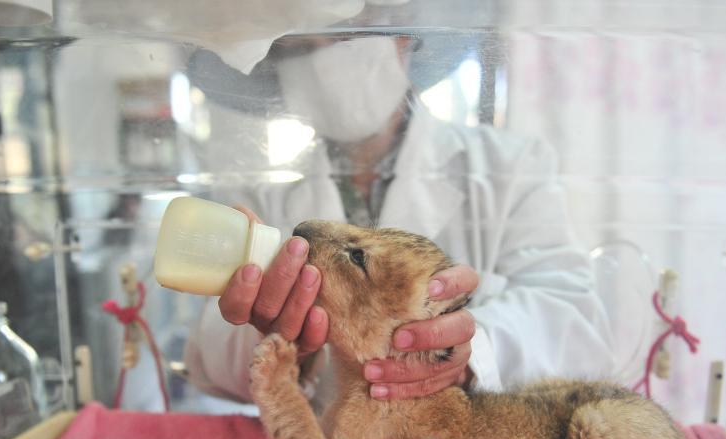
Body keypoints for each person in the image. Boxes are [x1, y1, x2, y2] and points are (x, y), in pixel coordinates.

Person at [184, 33, 614, 409]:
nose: (321, 65)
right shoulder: (263, 196)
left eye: (344, 38)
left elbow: (573, 319)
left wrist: (473, 348)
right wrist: (277, 341)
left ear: (402, 38)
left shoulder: (510, 168)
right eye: (297, 48)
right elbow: (209, 360)